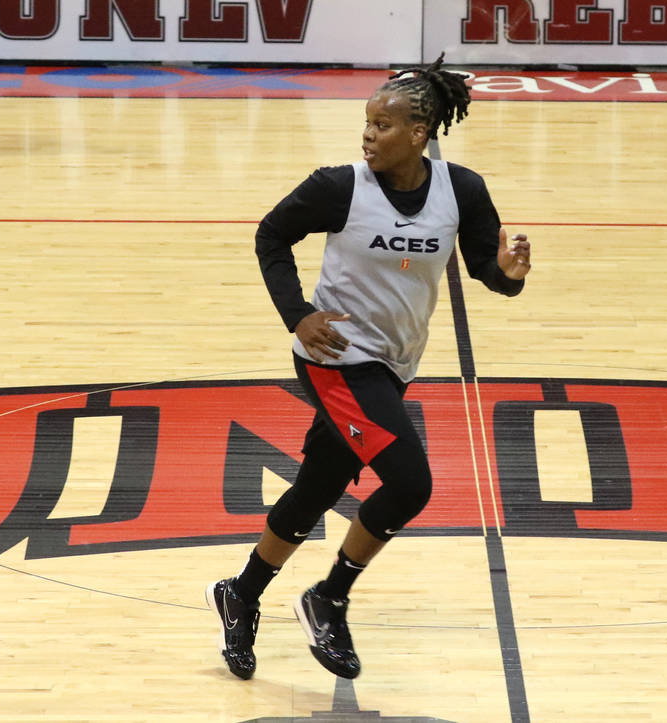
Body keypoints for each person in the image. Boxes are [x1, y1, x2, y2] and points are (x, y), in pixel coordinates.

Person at [206, 53, 532, 681]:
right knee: (411, 484)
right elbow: (271, 236)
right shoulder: (338, 187)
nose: (368, 135)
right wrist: (297, 314)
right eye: (366, 123)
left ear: (419, 133)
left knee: (321, 487)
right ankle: (327, 598)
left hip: (394, 362)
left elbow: (487, 270)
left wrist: (508, 275)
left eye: (383, 126)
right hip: (336, 359)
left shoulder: (461, 190)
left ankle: (240, 593)